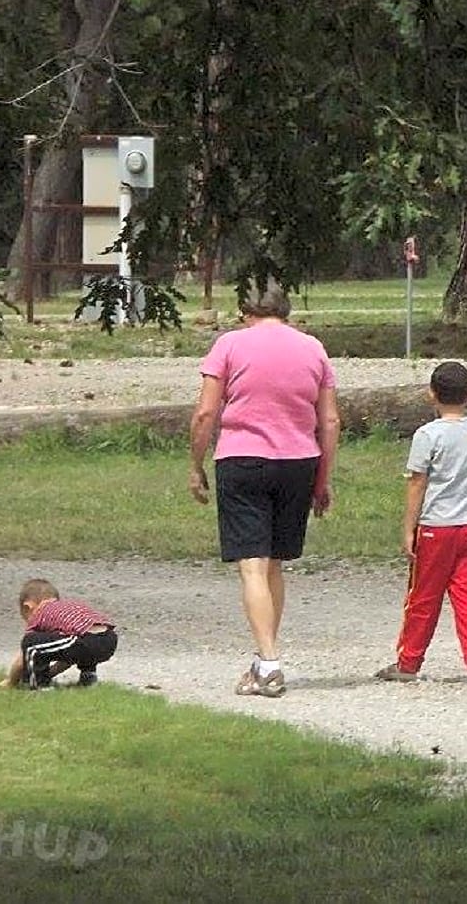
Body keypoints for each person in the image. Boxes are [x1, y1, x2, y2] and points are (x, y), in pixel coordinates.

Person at [189, 286, 340, 699]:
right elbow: (329, 421)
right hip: (298, 462)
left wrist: (196, 464)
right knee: (274, 564)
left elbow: (206, 412)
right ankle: (263, 658)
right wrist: (322, 480)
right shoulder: (313, 349)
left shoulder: (229, 345)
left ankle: (270, 664)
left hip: (242, 459)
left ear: (245, 312)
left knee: (252, 566)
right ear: (286, 311)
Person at [374, 361, 467, 689]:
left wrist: (408, 528)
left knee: (423, 596)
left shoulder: (427, 435)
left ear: (432, 395)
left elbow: (417, 483)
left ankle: (409, 661)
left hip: (436, 526)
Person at [0, 578, 117, 689]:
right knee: (78, 643)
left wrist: (10, 681)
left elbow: (23, 658)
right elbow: (68, 656)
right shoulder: (67, 608)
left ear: (28, 607)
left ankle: (40, 686)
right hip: (109, 638)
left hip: (85, 640)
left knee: (31, 642)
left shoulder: (40, 614)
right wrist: (50, 673)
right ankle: (88, 676)